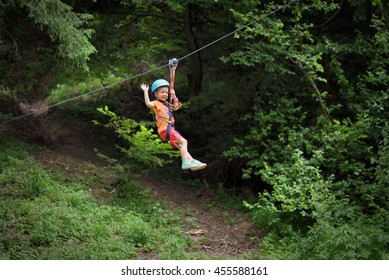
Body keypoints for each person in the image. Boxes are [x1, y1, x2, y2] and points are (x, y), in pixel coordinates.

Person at [141, 79, 206, 171]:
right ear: (156, 94)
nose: (165, 94)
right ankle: (185, 162)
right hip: (165, 130)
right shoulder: (156, 104)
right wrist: (145, 91)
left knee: (180, 146)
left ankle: (191, 161)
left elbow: (177, 106)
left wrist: (173, 95)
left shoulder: (167, 105)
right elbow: (148, 103)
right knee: (184, 142)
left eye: (166, 93)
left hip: (168, 130)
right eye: (162, 92)